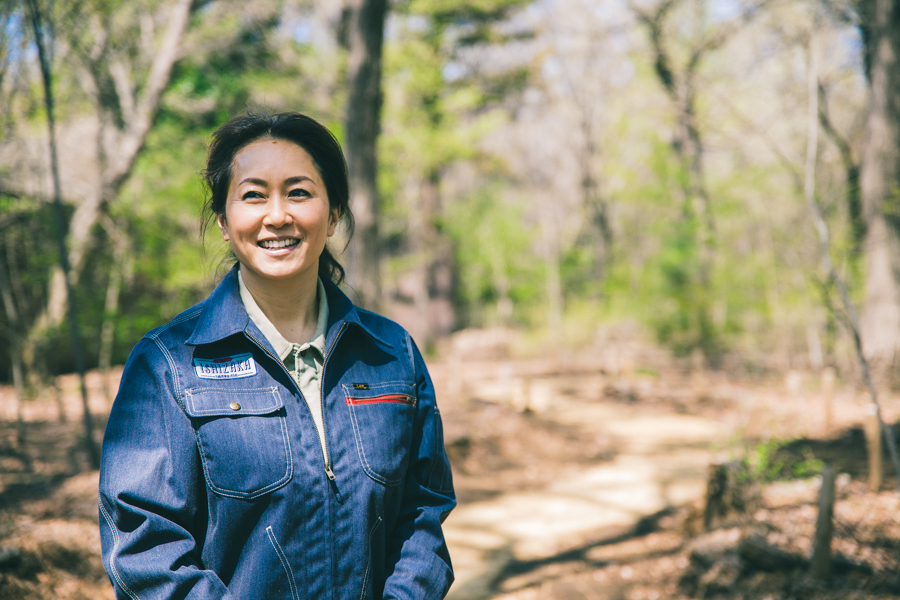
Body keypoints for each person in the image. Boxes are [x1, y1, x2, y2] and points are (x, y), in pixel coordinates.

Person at [98, 111, 456, 599]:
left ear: (332, 215)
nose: (278, 215)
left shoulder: (392, 355)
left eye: (299, 192)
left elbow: (423, 512)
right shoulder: (168, 365)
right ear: (224, 221)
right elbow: (145, 551)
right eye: (253, 194)